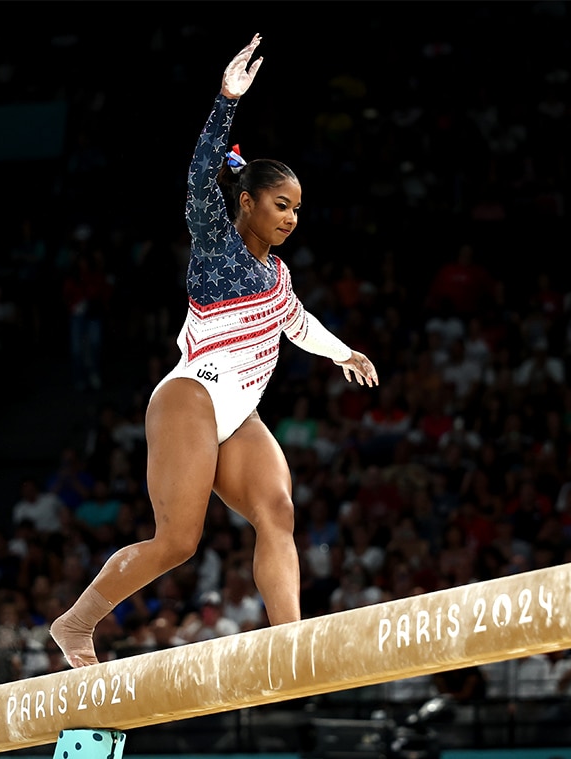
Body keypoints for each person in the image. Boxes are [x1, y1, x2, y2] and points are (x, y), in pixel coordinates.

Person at [50, 35, 378, 668]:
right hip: (191, 398)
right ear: (248, 202)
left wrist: (344, 352)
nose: (290, 218)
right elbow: (203, 173)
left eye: (298, 210)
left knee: (278, 511)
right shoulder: (217, 252)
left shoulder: (277, 276)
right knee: (178, 541)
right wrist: (227, 101)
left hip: (239, 416)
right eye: (281, 205)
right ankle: (75, 623)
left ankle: (290, 648)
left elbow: (297, 323)